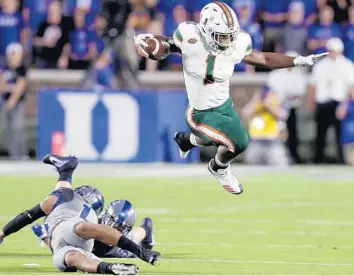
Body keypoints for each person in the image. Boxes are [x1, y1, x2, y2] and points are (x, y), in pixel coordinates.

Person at [134, 2, 327, 195]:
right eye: (222, 36)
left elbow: (264, 59)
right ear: (206, 30)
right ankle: (219, 168)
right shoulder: (190, 36)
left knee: (217, 139)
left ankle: (185, 140)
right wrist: (150, 43)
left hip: (225, 105)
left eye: (230, 35)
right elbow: (167, 44)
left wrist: (298, 60)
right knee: (239, 141)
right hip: (200, 112)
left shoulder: (237, 42)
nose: (228, 40)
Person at [0, 154, 160, 274]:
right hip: (73, 242)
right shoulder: (82, 211)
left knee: (81, 234)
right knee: (72, 257)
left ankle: (137, 246)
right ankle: (110, 268)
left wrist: (1, 234)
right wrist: (44, 238)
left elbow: (28, 215)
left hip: (71, 231)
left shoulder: (65, 201)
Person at [32, 199, 155, 258]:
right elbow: (61, 249)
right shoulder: (90, 226)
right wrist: (46, 237)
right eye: (112, 223)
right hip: (85, 236)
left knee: (135, 237)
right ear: (106, 218)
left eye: (120, 228)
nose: (113, 229)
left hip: (118, 246)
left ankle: (147, 229)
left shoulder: (125, 239)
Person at [307, 38, 354, 164]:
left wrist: (345, 106)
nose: (333, 53)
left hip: (339, 103)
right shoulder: (320, 66)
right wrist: (311, 102)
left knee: (340, 134)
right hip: (323, 102)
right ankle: (318, 159)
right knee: (320, 133)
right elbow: (313, 85)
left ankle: (341, 159)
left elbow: (351, 88)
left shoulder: (347, 65)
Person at [265, 51, 308, 164]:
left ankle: (292, 155)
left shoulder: (298, 75)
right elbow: (272, 92)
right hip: (275, 108)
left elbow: (299, 92)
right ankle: (275, 156)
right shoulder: (276, 74)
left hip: (290, 108)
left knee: (292, 133)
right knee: (276, 131)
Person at [241, 88, 289, 166]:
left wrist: (269, 105)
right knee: (253, 168)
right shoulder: (256, 105)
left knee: (279, 167)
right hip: (256, 142)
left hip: (273, 143)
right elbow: (245, 113)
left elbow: (282, 115)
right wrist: (255, 101)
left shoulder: (276, 104)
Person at [0, 43, 28, 160]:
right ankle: (12, 153)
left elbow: (21, 85)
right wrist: (10, 88)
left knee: (18, 127)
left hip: (17, 102)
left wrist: (13, 99)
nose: (12, 57)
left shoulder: (21, 68)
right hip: (5, 101)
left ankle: (21, 153)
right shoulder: (5, 68)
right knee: (8, 128)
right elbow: (1, 84)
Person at [34, 1, 71, 69]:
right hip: (44, 58)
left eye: (55, 11)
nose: (53, 13)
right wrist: (45, 42)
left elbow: (67, 44)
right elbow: (35, 41)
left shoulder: (65, 24)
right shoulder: (44, 24)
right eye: (51, 11)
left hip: (58, 58)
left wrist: (64, 56)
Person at [0, 0, 26, 65]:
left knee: (14, 69)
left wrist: (22, 46)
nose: (8, 4)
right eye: (6, 2)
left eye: (10, 2)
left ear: (15, 4)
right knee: (0, 68)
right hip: (0, 50)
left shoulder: (18, 16)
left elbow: (23, 33)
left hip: (15, 50)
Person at [336, 90, 354, 166]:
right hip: (348, 136)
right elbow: (339, 115)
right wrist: (345, 102)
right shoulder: (345, 103)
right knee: (349, 161)